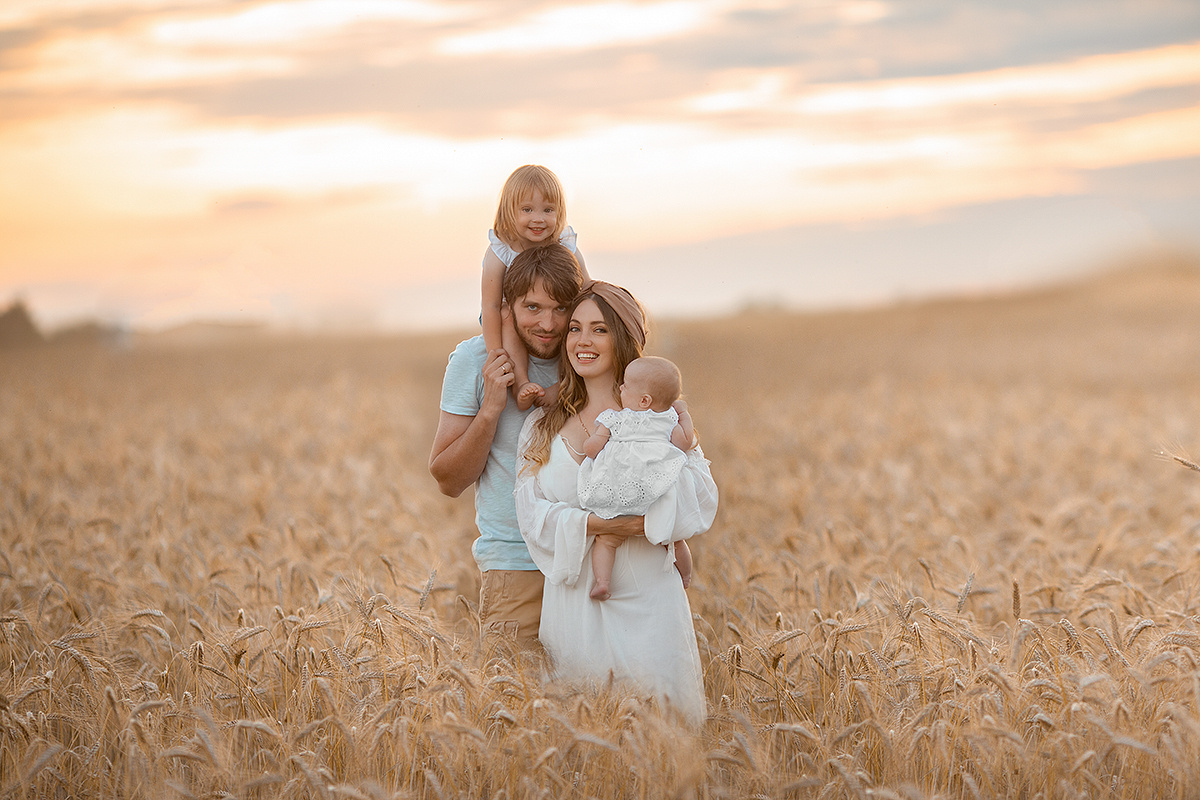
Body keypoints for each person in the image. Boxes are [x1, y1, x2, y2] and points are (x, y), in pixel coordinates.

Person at [514, 281, 718, 725]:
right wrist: (602, 526)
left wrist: (640, 524)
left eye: (599, 330)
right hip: (577, 599)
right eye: (575, 329)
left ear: (623, 339)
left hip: (648, 596)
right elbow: (531, 515)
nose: (583, 341)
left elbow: (699, 498)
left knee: (661, 736)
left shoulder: (660, 421)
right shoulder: (540, 426)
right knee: (586, 744)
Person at [429, 244, 584, 651]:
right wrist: (492, 409)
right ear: (506, 307)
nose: (548, 324)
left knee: (599, 708)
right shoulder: (474, 360)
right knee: (514, 705)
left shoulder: (589, 357)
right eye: (532, 307)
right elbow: (447, 479)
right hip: (514, 567)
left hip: (591, 563)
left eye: (560, 308)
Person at [579, 355, 696, 601]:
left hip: (620, 491)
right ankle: (685, 576)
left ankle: (602, 582)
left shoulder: (614, 418)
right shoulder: (667, 421)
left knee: (606, 540)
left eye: (626, 385)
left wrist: (588, 446)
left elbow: (592, 448)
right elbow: (684, 443)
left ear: (644, 400)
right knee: (673, 538)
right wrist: (683, 415)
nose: (620, 388)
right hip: (654, 491)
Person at [481, 165, 591, 411]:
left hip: (554, 313)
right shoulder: (501, 249)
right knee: (507, 314)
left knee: (569, 319)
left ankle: (565, 385)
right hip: (508, 317)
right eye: (527, 209)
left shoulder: (565, 244)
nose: (538, 218)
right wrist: (496, 355)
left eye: (548, 210)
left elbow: (588, 290)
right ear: (510, 211)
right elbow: (489, 305)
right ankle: (520, 383)